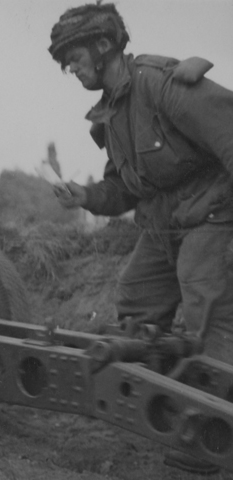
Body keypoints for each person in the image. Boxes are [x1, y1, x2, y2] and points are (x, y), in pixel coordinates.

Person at [48, 2, 233, 475]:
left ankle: (207, 436)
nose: (70, 67)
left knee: (207, 315)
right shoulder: (109, 115)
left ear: (104, 45)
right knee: (135, 303)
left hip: (211, 215)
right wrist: (84, 195)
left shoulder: (161, 83)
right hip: (163, 226)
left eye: (73, 55)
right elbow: (123, 190)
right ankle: (167, 403)